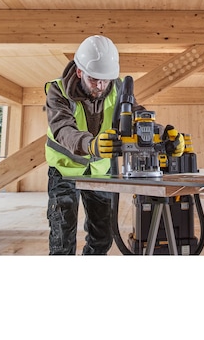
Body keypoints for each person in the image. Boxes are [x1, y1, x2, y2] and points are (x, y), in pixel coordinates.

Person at [44, 35, 184, 255]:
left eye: (105, 80)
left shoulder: (118, 88)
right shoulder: (57, 91)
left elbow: (136, 116)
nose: (100, 86)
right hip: (64, 170)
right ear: (80, 72)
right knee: (62, 238)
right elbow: (63, 129)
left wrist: (163, 137)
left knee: (102, 238)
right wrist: (91, 145)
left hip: (100, 170)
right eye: (94, 79)